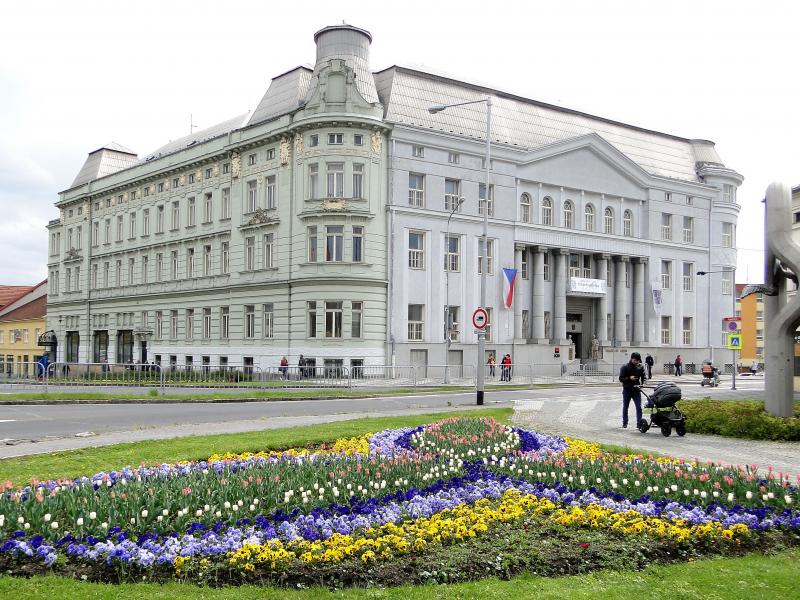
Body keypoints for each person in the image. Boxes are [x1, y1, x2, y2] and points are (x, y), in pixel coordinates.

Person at [618, 351, 646, 429]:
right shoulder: (625, 367)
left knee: (639, 407)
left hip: (636, 390)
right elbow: (621, 378)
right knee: (626, 406)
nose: (636, 362)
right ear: (631, 359)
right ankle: (625, 422)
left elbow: (644, 377)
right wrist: (629, 378)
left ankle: (639, 423)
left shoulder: (640, 367)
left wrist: (643, 383)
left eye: (638, 361)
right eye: (635, 360)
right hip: (627, 389)